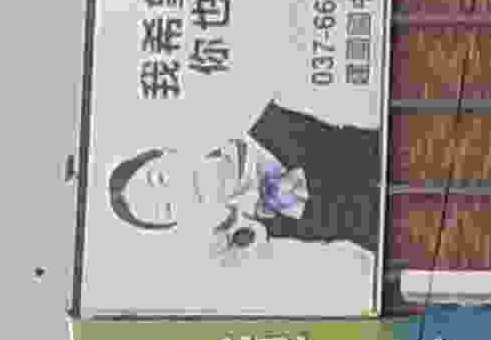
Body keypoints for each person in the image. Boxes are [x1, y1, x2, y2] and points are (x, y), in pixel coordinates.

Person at [103, 101, 384, 256]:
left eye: (161, 178)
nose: (180, 191)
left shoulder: (267, 108)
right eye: (167, 209)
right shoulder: (266, 236)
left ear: (169, 151)